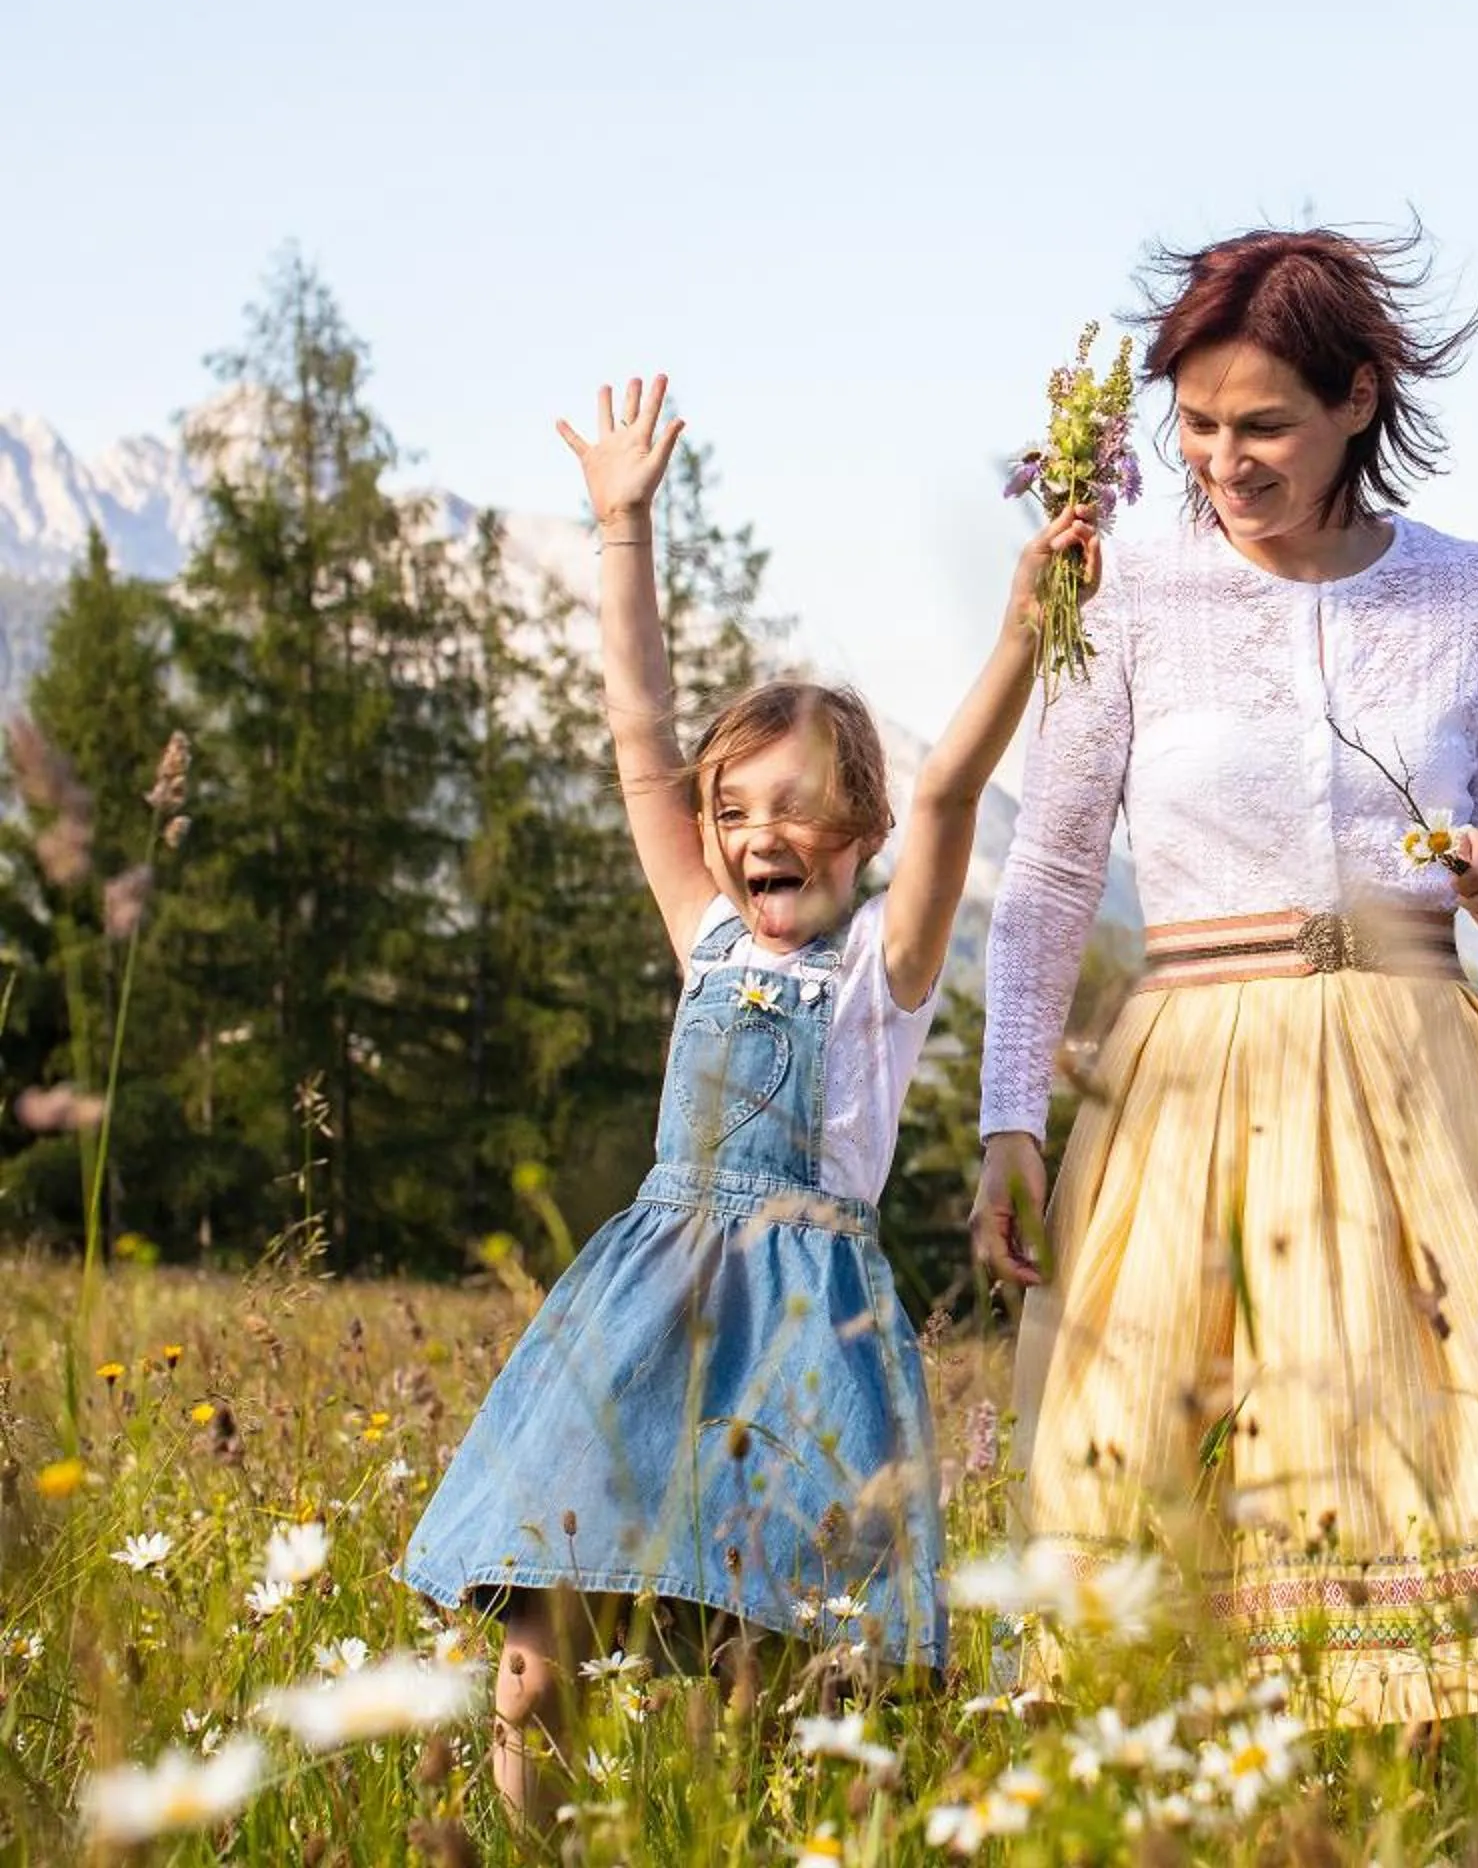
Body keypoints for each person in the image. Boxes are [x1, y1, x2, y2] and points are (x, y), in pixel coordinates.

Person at [974, 227, 1478, 1726]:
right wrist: (1011, 1109)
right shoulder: (1127, 593)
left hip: (1427, 1070)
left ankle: (1458, 1773)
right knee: (1198, 1455)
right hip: (1192, 1089)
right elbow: (1053, 874)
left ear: (1354, 400)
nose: (1224, 458)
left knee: (1467, 1437)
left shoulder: (1474, 594)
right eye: (1197, 425)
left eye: (1264, 423)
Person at [399, 375, 1095, 1820]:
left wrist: (1025, 627)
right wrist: (622, 527)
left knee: (768, 1686)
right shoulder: (706, 933)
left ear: (859, 835)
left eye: (793, 804)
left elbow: (959, 793)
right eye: (733, 808)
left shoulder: (881, 978)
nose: (754, 831)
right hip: (647, 1318)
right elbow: (640, 728)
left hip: (804, 1341)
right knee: (541, 1654)